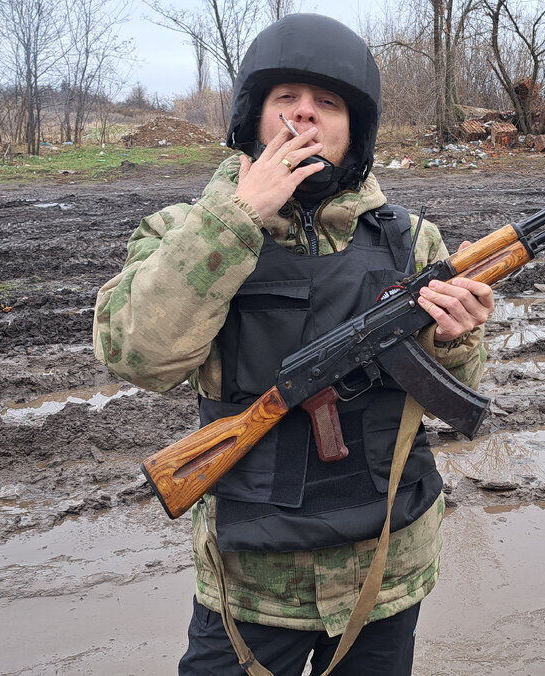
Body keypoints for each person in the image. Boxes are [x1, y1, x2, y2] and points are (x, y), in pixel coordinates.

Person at [93, 13, 492, 674]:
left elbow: (469, 399)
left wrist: (455, 343)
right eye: (287, 100)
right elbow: (138, 356)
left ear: (353, 129)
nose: (305, 116)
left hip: (383, 577)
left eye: (327, 104)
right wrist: (235, 219)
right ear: (253, 117)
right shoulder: (181, 232)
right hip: (250, 588)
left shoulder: (410, 240)